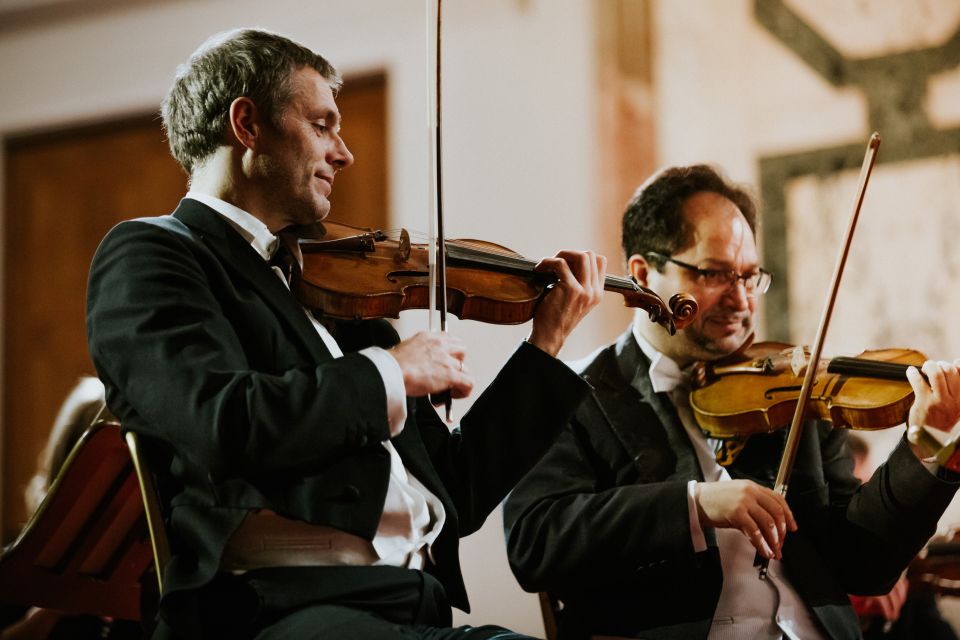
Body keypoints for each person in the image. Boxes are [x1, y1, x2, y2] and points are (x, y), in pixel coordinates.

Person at [85, 29, 606, 640]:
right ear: (248, 125)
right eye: (323, 124)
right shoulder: (153, 254)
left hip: (406, 603)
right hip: (277, 612)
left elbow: (457, 492)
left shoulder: (334, 289)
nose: (344, 152)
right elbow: (220, 421)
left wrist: (545, 345)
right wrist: (393, 371)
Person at [503, 164, 960, 639]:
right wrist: (694, 504)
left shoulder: (791, 390)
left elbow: (861, 564)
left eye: (749, 276)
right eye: (715, 273)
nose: (740, 299)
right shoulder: (574, 394)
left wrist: (924, 445)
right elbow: (535, 541)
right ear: (642, 273)